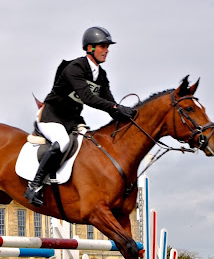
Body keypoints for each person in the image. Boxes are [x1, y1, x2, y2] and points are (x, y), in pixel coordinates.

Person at [24, 26, 137, 206]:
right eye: (103, 46)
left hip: (72, 120)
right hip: (52, 116)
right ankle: (34, 186)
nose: (107, 50)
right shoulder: (75, 68)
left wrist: (125, 114)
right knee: (62, 142)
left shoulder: (101, 75)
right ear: (90, 48)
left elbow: (109, 103)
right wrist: (116, 107)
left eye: (107, 47)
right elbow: (88, 98)